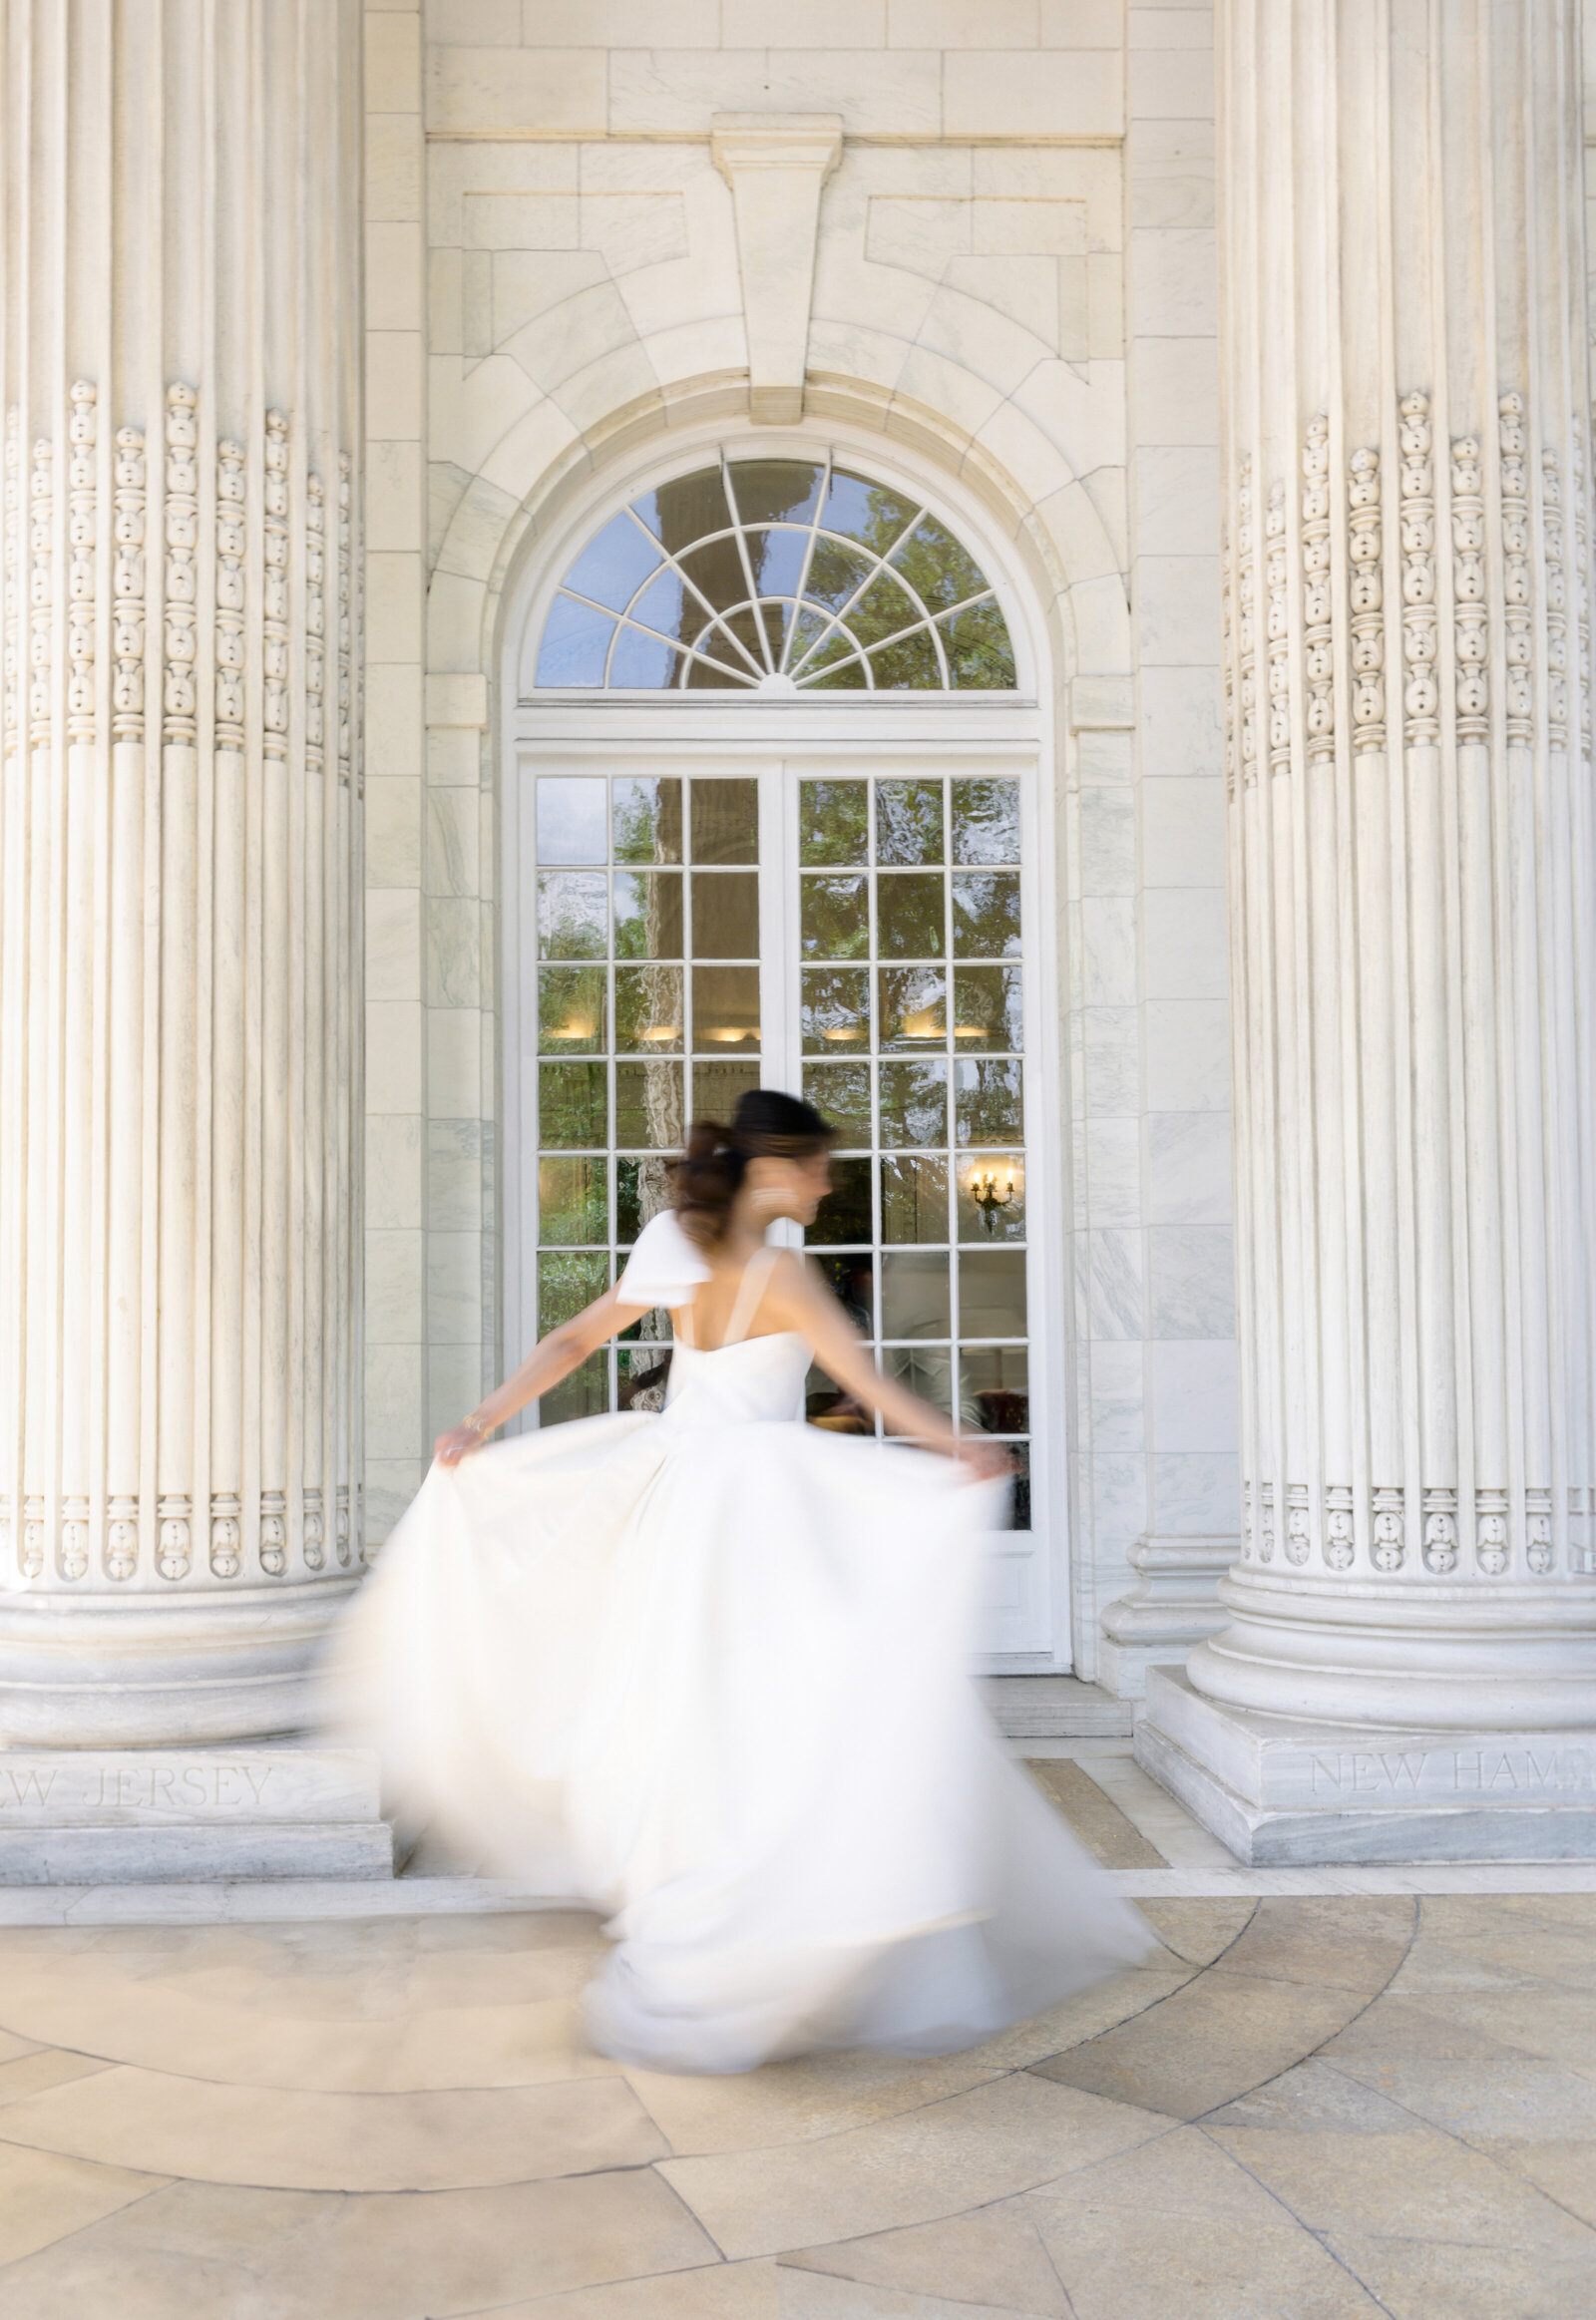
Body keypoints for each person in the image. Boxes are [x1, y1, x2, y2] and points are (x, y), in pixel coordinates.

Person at [326, 1088, 1151, 2074]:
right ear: (775, 1169)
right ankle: (764, 1884)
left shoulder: (675, 1245)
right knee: (781, 1700)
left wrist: (482, 1419)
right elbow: (870, 1385)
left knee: (680, 1694)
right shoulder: (786, 1274)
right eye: (817, 1163)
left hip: (678, 1490)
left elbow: (573, 1340)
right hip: (758, 1501)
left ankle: (688, 1866)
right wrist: (957, 1445)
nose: (828, 1180)